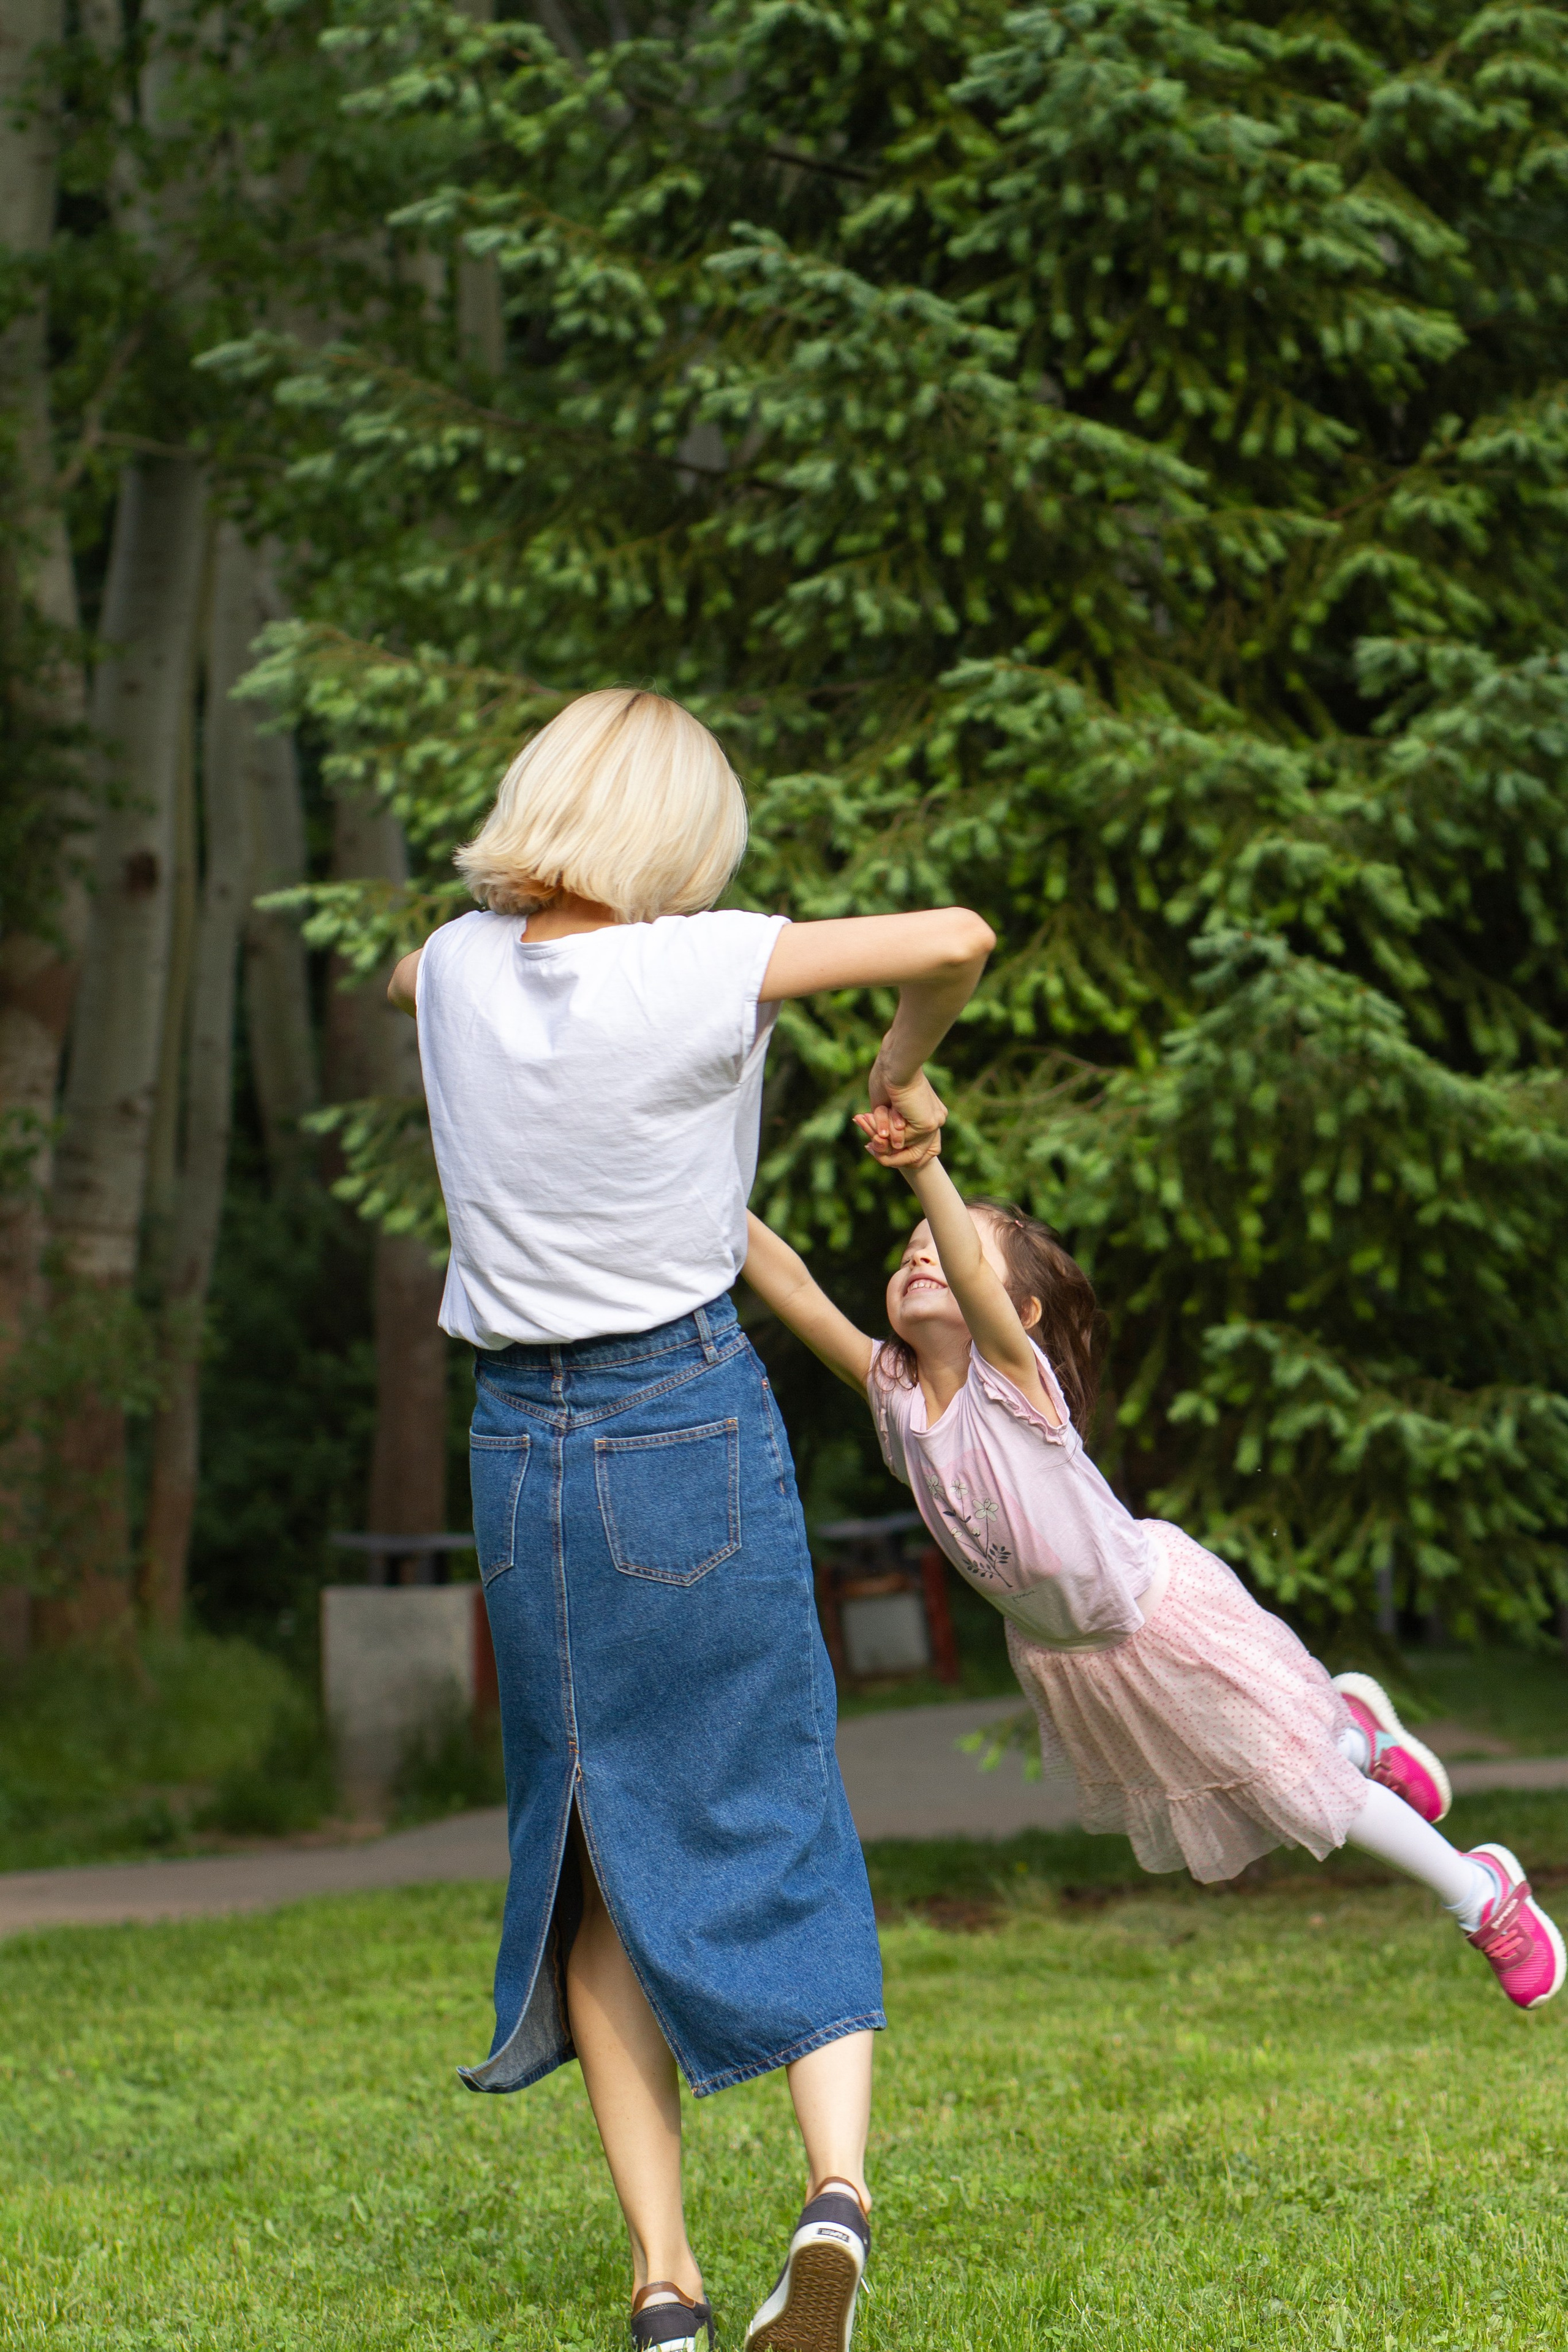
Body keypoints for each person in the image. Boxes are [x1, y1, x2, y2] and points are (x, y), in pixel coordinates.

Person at [388, 684, 996, 2352]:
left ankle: (664, 2286)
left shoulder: (446, 966)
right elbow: (956, 933)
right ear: (676, 837)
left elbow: (415, 966)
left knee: (586, 1842)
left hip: (521, 1452)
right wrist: (899, 1069)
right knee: (769, 1794)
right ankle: (835, 2195)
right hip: (686, 1427)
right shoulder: (697, 960)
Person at [741, 1134, 1567, 2013]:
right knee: (1269, 1791)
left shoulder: (1013, 1381)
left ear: (1017, 1310)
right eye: (909, 1255)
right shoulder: (892, 1395)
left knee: (1299, 1789)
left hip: (1159, 1618)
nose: (921, 1260)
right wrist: (707, 1193)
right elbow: (793, 1285)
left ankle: (1483, 1894)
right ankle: (1356, 1734)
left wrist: (921, 1168)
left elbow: (976, 1287)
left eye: (944, 1250)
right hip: (1076, 1659)